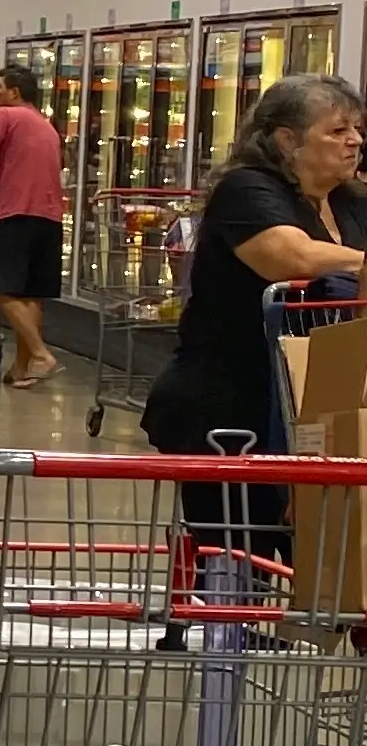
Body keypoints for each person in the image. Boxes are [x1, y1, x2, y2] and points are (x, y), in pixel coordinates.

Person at [143, 75, 367, 577]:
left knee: (330, 571)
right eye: (336, 130)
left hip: (319, 412)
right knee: (240, 562)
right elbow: (288, 257)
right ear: (287, 139)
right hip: (231, 411)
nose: (354, 140)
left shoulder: (353, 202)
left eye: (357, 129)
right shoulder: (246, 190)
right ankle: (225, 650)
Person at [0, 63, 65, 386]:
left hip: (15, 212)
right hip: (49, 216)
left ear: (14, 92)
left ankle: (40, 353)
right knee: (30, 293)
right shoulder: (47, 126)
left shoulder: (5, 115)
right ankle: (23, 368)